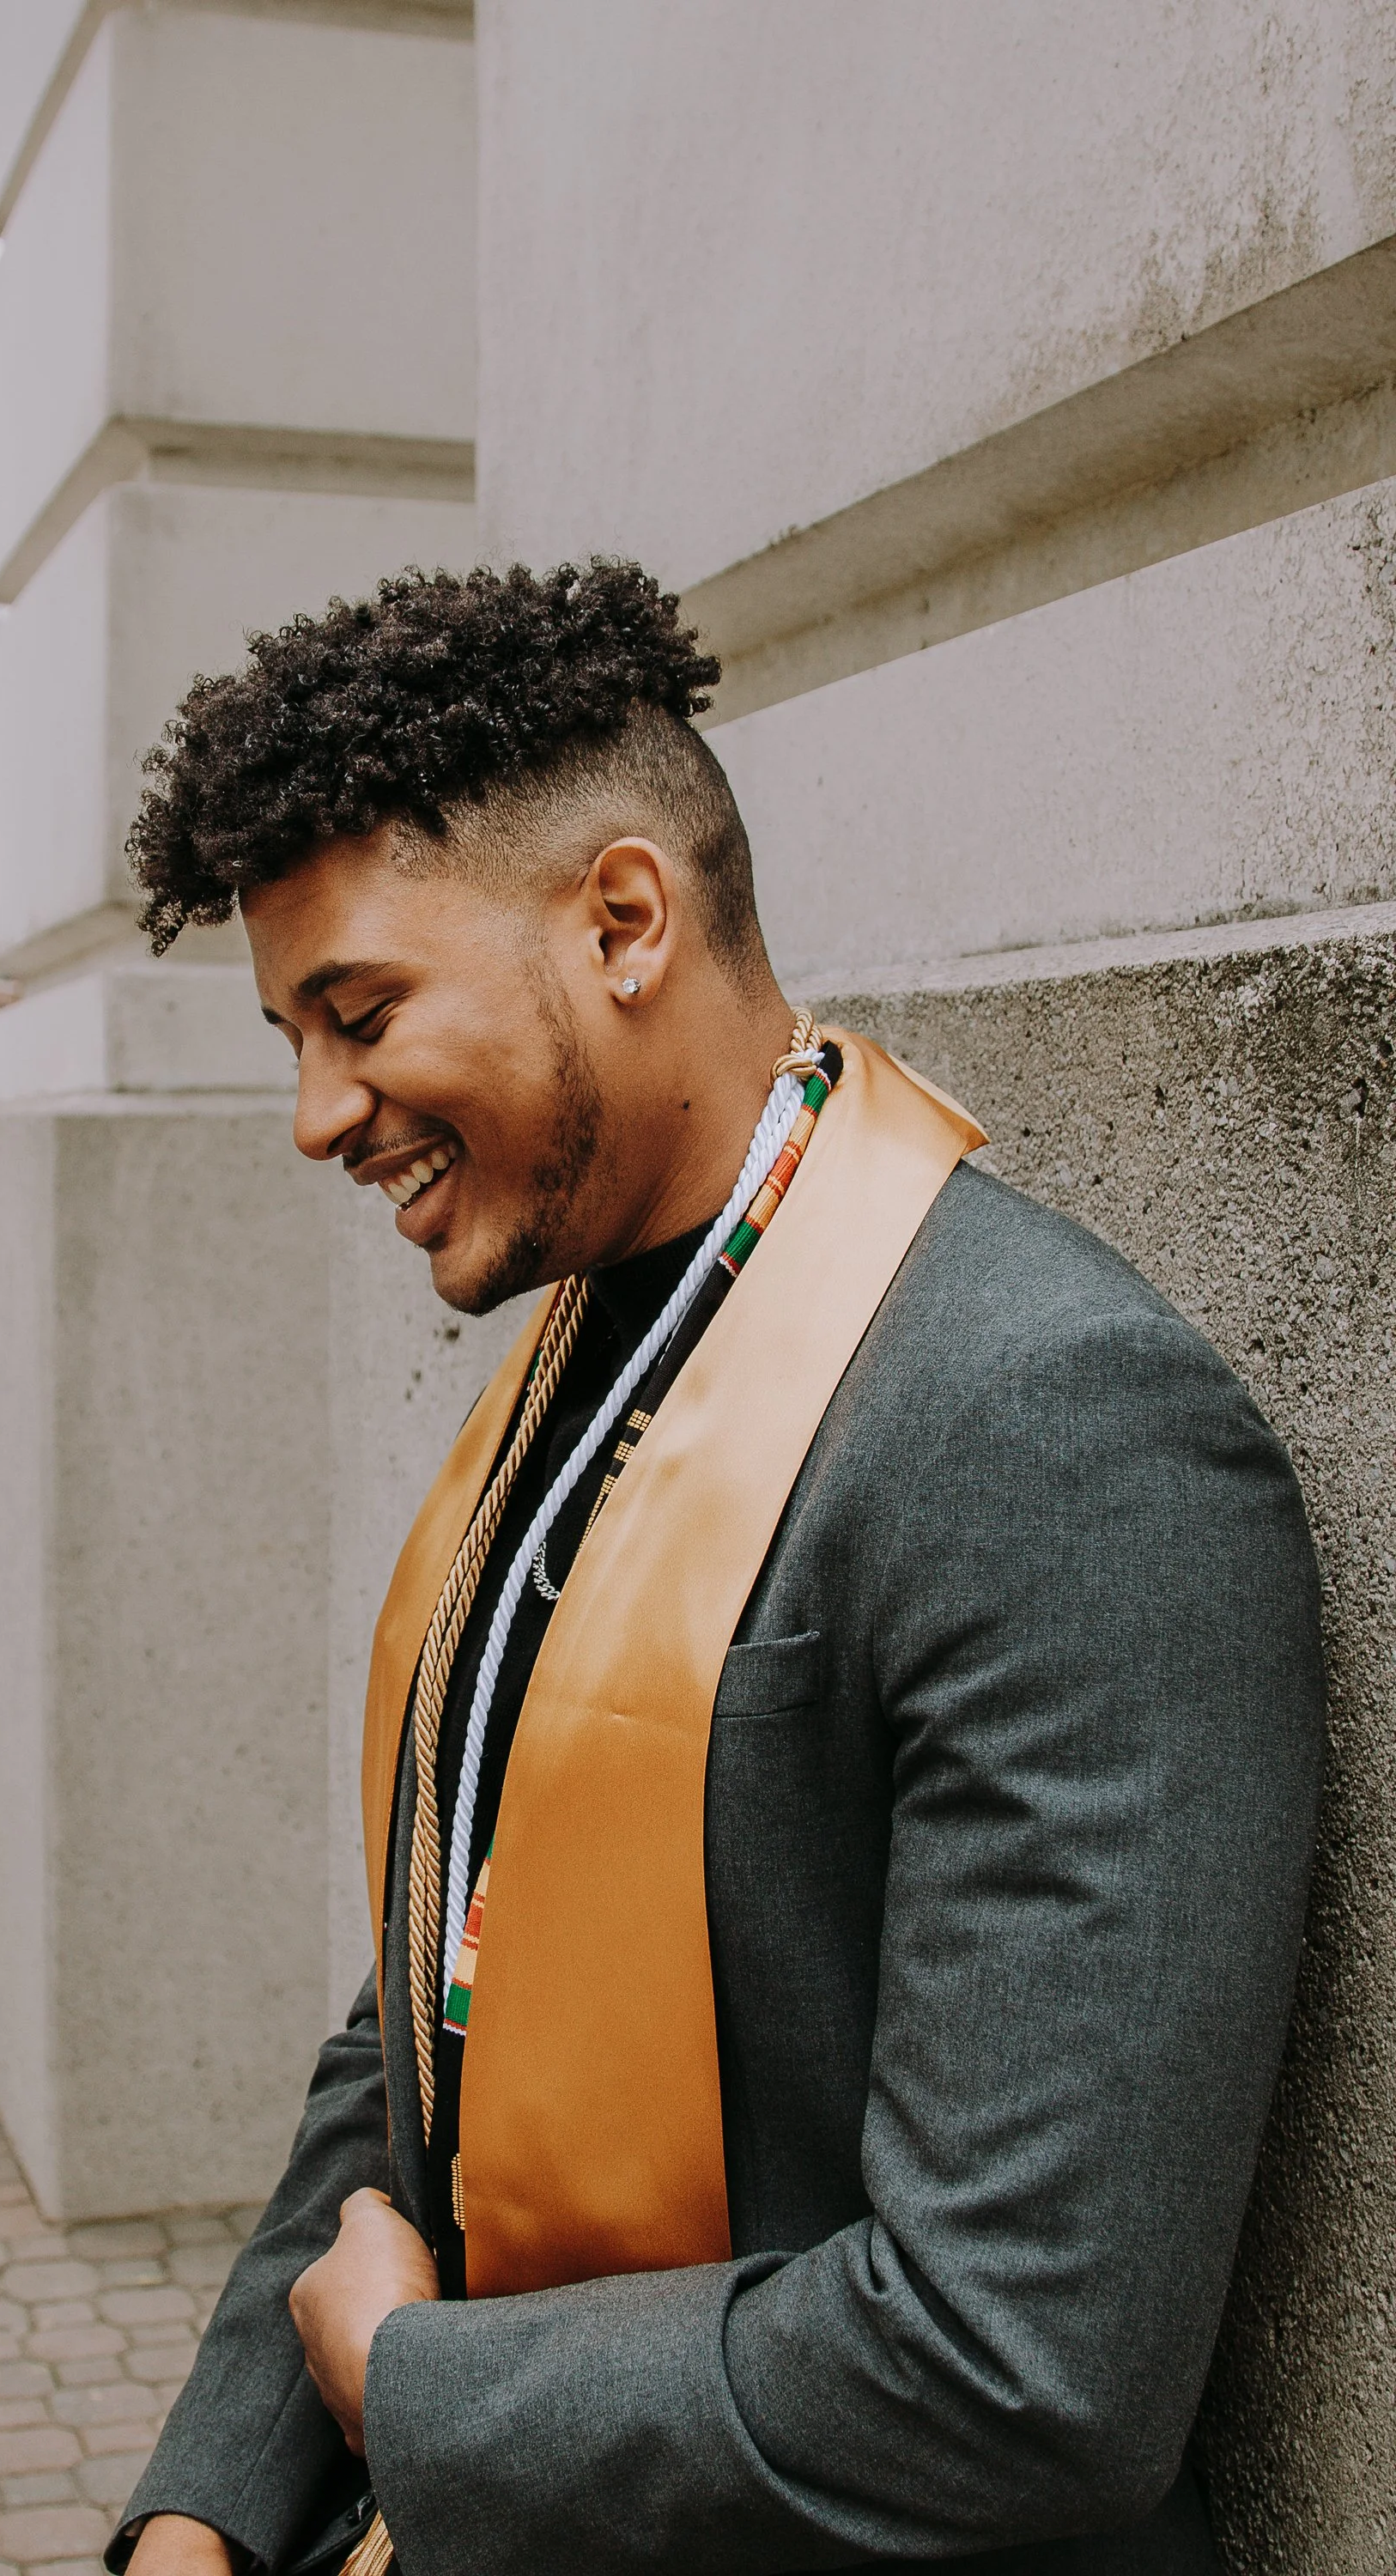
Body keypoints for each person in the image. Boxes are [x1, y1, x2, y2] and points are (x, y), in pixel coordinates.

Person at [105, 562, 1322, 2576]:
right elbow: (441, 1979)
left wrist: (412, 2393)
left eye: (359, 1013)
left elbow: (1026, 2361)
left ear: (620, 921)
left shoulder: (1052, 1427)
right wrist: (212, 2508)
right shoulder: (572, 1361)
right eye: (290, 1035)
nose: (318, 1115)